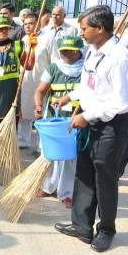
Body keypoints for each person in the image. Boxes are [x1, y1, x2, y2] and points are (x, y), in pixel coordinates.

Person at [54, 5, 128, 253]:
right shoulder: (92, 51)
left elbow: (121, 103)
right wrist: (69, 96)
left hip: (111, 125)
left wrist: (87, 116)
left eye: (84, 28)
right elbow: (89, 84)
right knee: (84, 172)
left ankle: (106, 230)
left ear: (100, 28)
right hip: (89, 121)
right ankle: (82, 226)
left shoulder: (120, 58)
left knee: (105, 178)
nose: (81, 33)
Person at [34, 36, 84, 208]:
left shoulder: (86, 70)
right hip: (54, 119)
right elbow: (40, 91)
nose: (65, 55)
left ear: (79, 52)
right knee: (50, 155)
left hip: (75, 120)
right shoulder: (53, 68)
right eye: (62, 51)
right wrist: (39, 106)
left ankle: (67, 193)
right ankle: (48, 187)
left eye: (69, 52)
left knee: (70, 158)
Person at [17, 12, 51, 149]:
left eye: (30, 23)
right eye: (25, 24)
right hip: (25, 81)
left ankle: (40, 146)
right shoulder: (24, 39)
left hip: (41, 82)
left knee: (40, 114)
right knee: (24, 113)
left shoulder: (48, 38)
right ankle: (22, 141)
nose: (27, 26)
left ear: (38, 23)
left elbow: (54, 60)